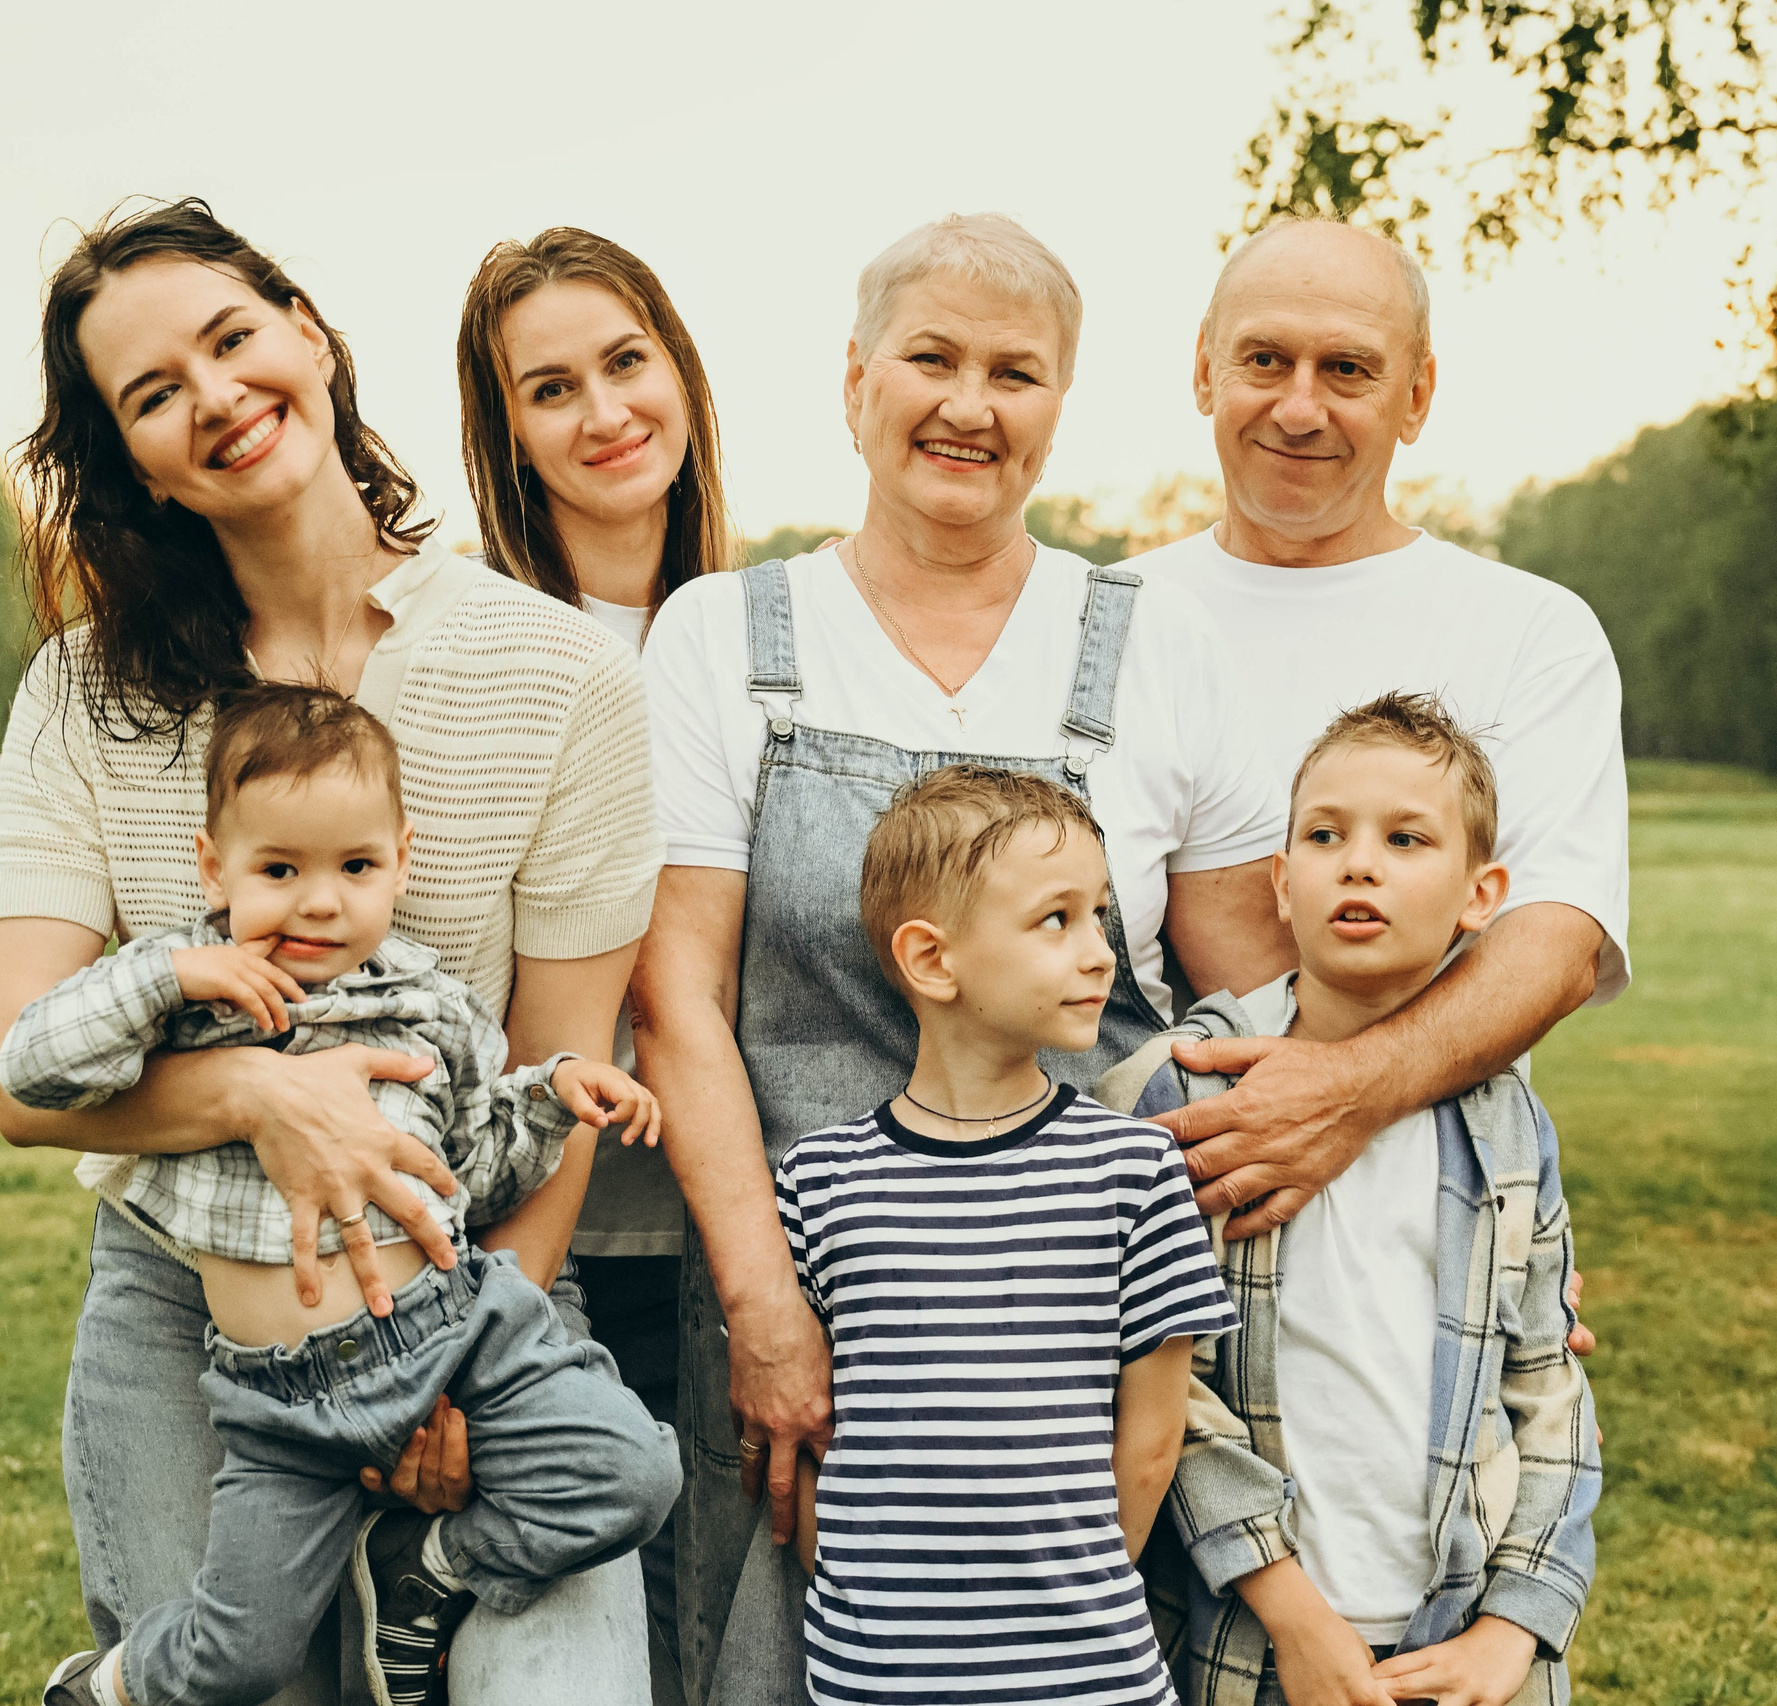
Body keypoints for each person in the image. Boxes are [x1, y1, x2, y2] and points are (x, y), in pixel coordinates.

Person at [0, 198, 663, 1706]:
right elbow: (24, 1078)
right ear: (130, 459)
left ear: (310, 333)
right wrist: (259, 1099)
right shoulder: (87, 695)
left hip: (476, 1266)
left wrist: (451, 1342)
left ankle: (429, 1590)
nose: (215, 396)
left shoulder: (558, 672)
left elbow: (564, 1062)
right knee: (236, 1673)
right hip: (195, 1284)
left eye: (233, 339)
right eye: (154, 394)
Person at [632, 212, 1289, 1705]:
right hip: (797, 1304)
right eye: (931, 358)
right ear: (855, 377)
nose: (969, 405)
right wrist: (768, 1309)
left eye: (1017, 372)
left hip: (1080, 1355)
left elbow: (1257, 1015)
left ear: (1062, 405)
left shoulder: (1158, 646)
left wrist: (1470, 1210)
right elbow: (678, 995)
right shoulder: (727, 635)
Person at [17, 686, 679, 1706]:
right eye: (279, 869)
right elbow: (31, 1066)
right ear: (214, 867)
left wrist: (551, 1098)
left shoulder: (435, 1003)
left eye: (355, 867)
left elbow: (473, 1169)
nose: (319, 901)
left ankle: (432, 1569)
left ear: (400, 861)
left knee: (635, 1471)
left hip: (458, 1329)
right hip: (284, 1395)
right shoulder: (187, 994)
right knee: (242, 1655)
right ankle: (103, 1685)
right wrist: (166, 978)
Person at [1138, 217, 1629, 1320]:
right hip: (1155, 1229)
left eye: (1348, 370)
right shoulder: (1102, 619)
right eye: (1265, 359)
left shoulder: (1528, 628)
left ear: (1416, 395)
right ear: (1203, 367)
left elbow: (1553, 937)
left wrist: (1347, 1102)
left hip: (1428, 1227)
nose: (1299, 407)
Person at [1097, 694, 1601, 1706]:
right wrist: (1289, 1607)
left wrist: (1515, 1626)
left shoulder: (1507, 1126)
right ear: (1282, 885)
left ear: (1479, 892)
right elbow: (1166, 1393)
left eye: (1405, 838)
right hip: (1249, 1638)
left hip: (1458, 1643)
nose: (1358, 862)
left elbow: (1548, 1388)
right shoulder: (1195, 1094)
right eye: (1324, 835)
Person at [776, 765, 1237, 1705]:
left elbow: (1151, 1439)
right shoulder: (820, 1184)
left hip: (1087, 1675)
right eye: (1055, 920)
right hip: (872, 1677)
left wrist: (1071, 1609)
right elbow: (818, 1432)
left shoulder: (1134, 1174)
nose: (1101, 952)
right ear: (933, 960)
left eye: (1100, 915)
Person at [455, 227, 736, 1701]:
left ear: (682, 371)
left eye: (627, 361)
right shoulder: (480, 645)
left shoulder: (768, 634)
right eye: (550, 388)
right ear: (505, 434)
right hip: (545, 1251)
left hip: (737, 1243)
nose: (606, 410)